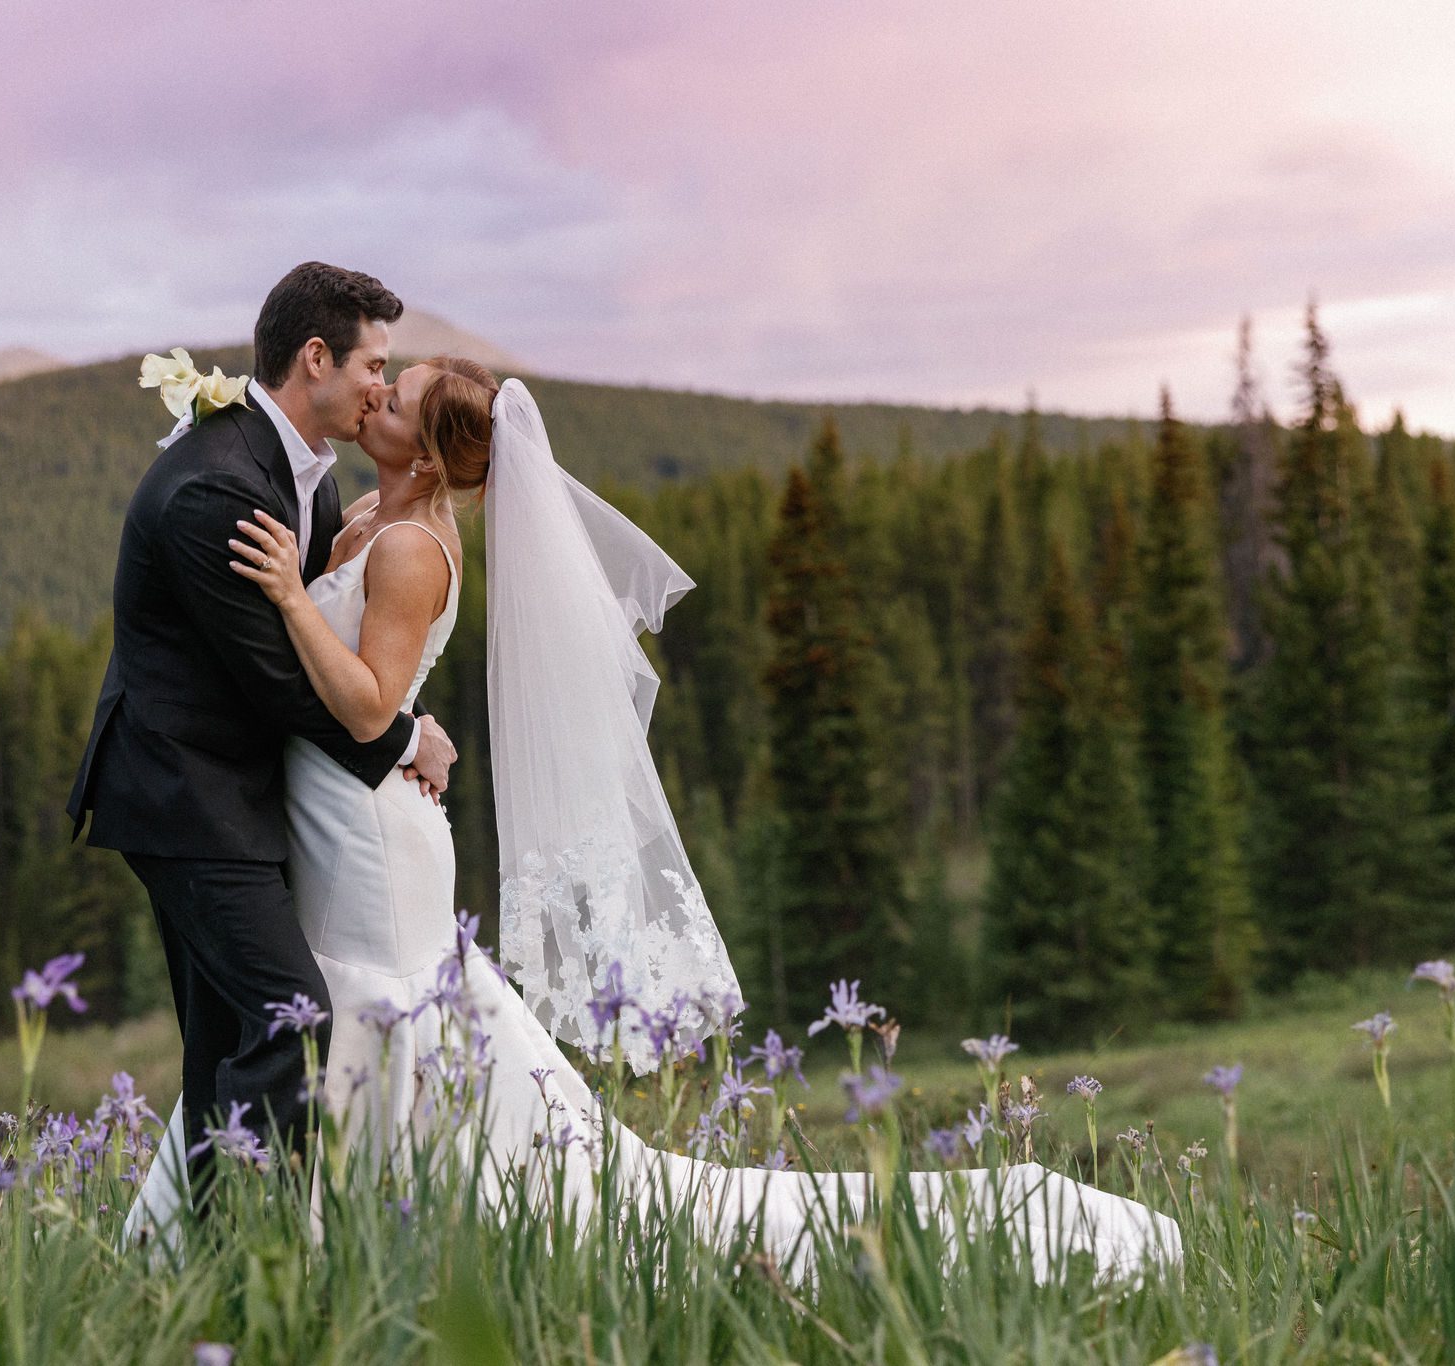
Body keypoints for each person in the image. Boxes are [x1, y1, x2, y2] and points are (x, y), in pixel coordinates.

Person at [126, 354, 1181, 1278]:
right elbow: (369, 691)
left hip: (369, 830)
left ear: (431, 452)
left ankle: (348, 1230)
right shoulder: (366, 515)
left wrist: (295, 602)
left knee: (357, 998)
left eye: (392, 398)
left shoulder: (414, 546)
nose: (374, 398)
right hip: (331, 804)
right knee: (313, 1001)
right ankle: (306, 1224)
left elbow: (362, 698)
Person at [66, 263, 457, 1199]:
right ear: (315, 357)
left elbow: (326, 641)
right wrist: (405, 741)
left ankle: (209, 1255)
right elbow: (283, 682)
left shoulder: (315, 483)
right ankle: (261, 1245)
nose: (378, 387)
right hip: (186, 800)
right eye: (375, 364)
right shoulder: (217, 488)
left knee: (229, 1040)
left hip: (254, 801)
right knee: (289, 1022)